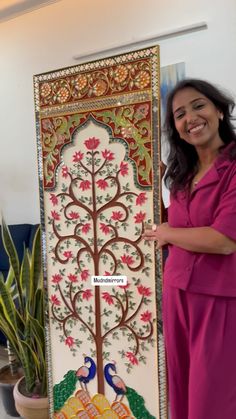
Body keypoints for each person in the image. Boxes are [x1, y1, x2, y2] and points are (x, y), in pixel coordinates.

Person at [143, 78, 236, 419]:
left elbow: (223, 241)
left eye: (198, 106)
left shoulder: (234, 169)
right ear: (176, 129)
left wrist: (167, 233)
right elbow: (176, 226)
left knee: (211, 399)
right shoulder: (182, 175)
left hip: (218, 301)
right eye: (179, 114)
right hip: (176, 294)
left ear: (220, 110)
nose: (190, 118)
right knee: (180, 392)